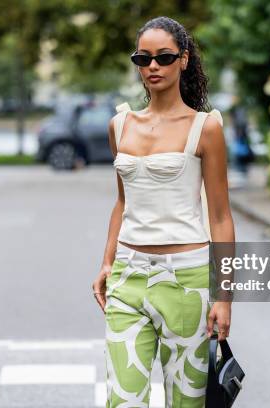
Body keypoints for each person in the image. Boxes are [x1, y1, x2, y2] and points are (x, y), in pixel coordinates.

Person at [92, 16, 235, 408]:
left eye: (164, 57)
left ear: (183, 60)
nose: (152, 66)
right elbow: (123, 201)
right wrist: (107, 262)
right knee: (122, 401)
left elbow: (221, 216)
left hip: (186, 282)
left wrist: (223, 296)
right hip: (129, 277)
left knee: (186, 403)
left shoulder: (205, 128)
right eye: (143, 58)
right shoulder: (119, 126)